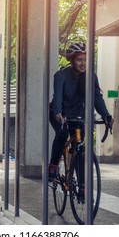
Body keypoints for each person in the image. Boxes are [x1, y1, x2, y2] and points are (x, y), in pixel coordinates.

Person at [48, 42, 113, 189]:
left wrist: (106, 115)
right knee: (63, 133)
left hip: (77, 114)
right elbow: (57, 97)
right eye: (79, 60)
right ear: (72, 60)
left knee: (79, 145)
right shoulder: (61, 75)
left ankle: (82, 186)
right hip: (60, 113)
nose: (83, 63)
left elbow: (97, 97)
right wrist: (58, 112)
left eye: (85, 60)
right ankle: (53, 163)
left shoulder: (91, 77)